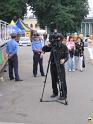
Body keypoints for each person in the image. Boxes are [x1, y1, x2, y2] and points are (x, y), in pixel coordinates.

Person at [42, 32, 68, 99]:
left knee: (62, 80)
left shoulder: (64, 47)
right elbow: (44, 49)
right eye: (56, 40)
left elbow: (67, 56)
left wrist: (64, 60)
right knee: (54, 79)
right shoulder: (52, 46)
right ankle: (55, 92)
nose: (57, 41)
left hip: (60, 65)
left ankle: (64, 94)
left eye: (59, 40)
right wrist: (47, 45)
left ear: (61, 40)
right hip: (53, 64)